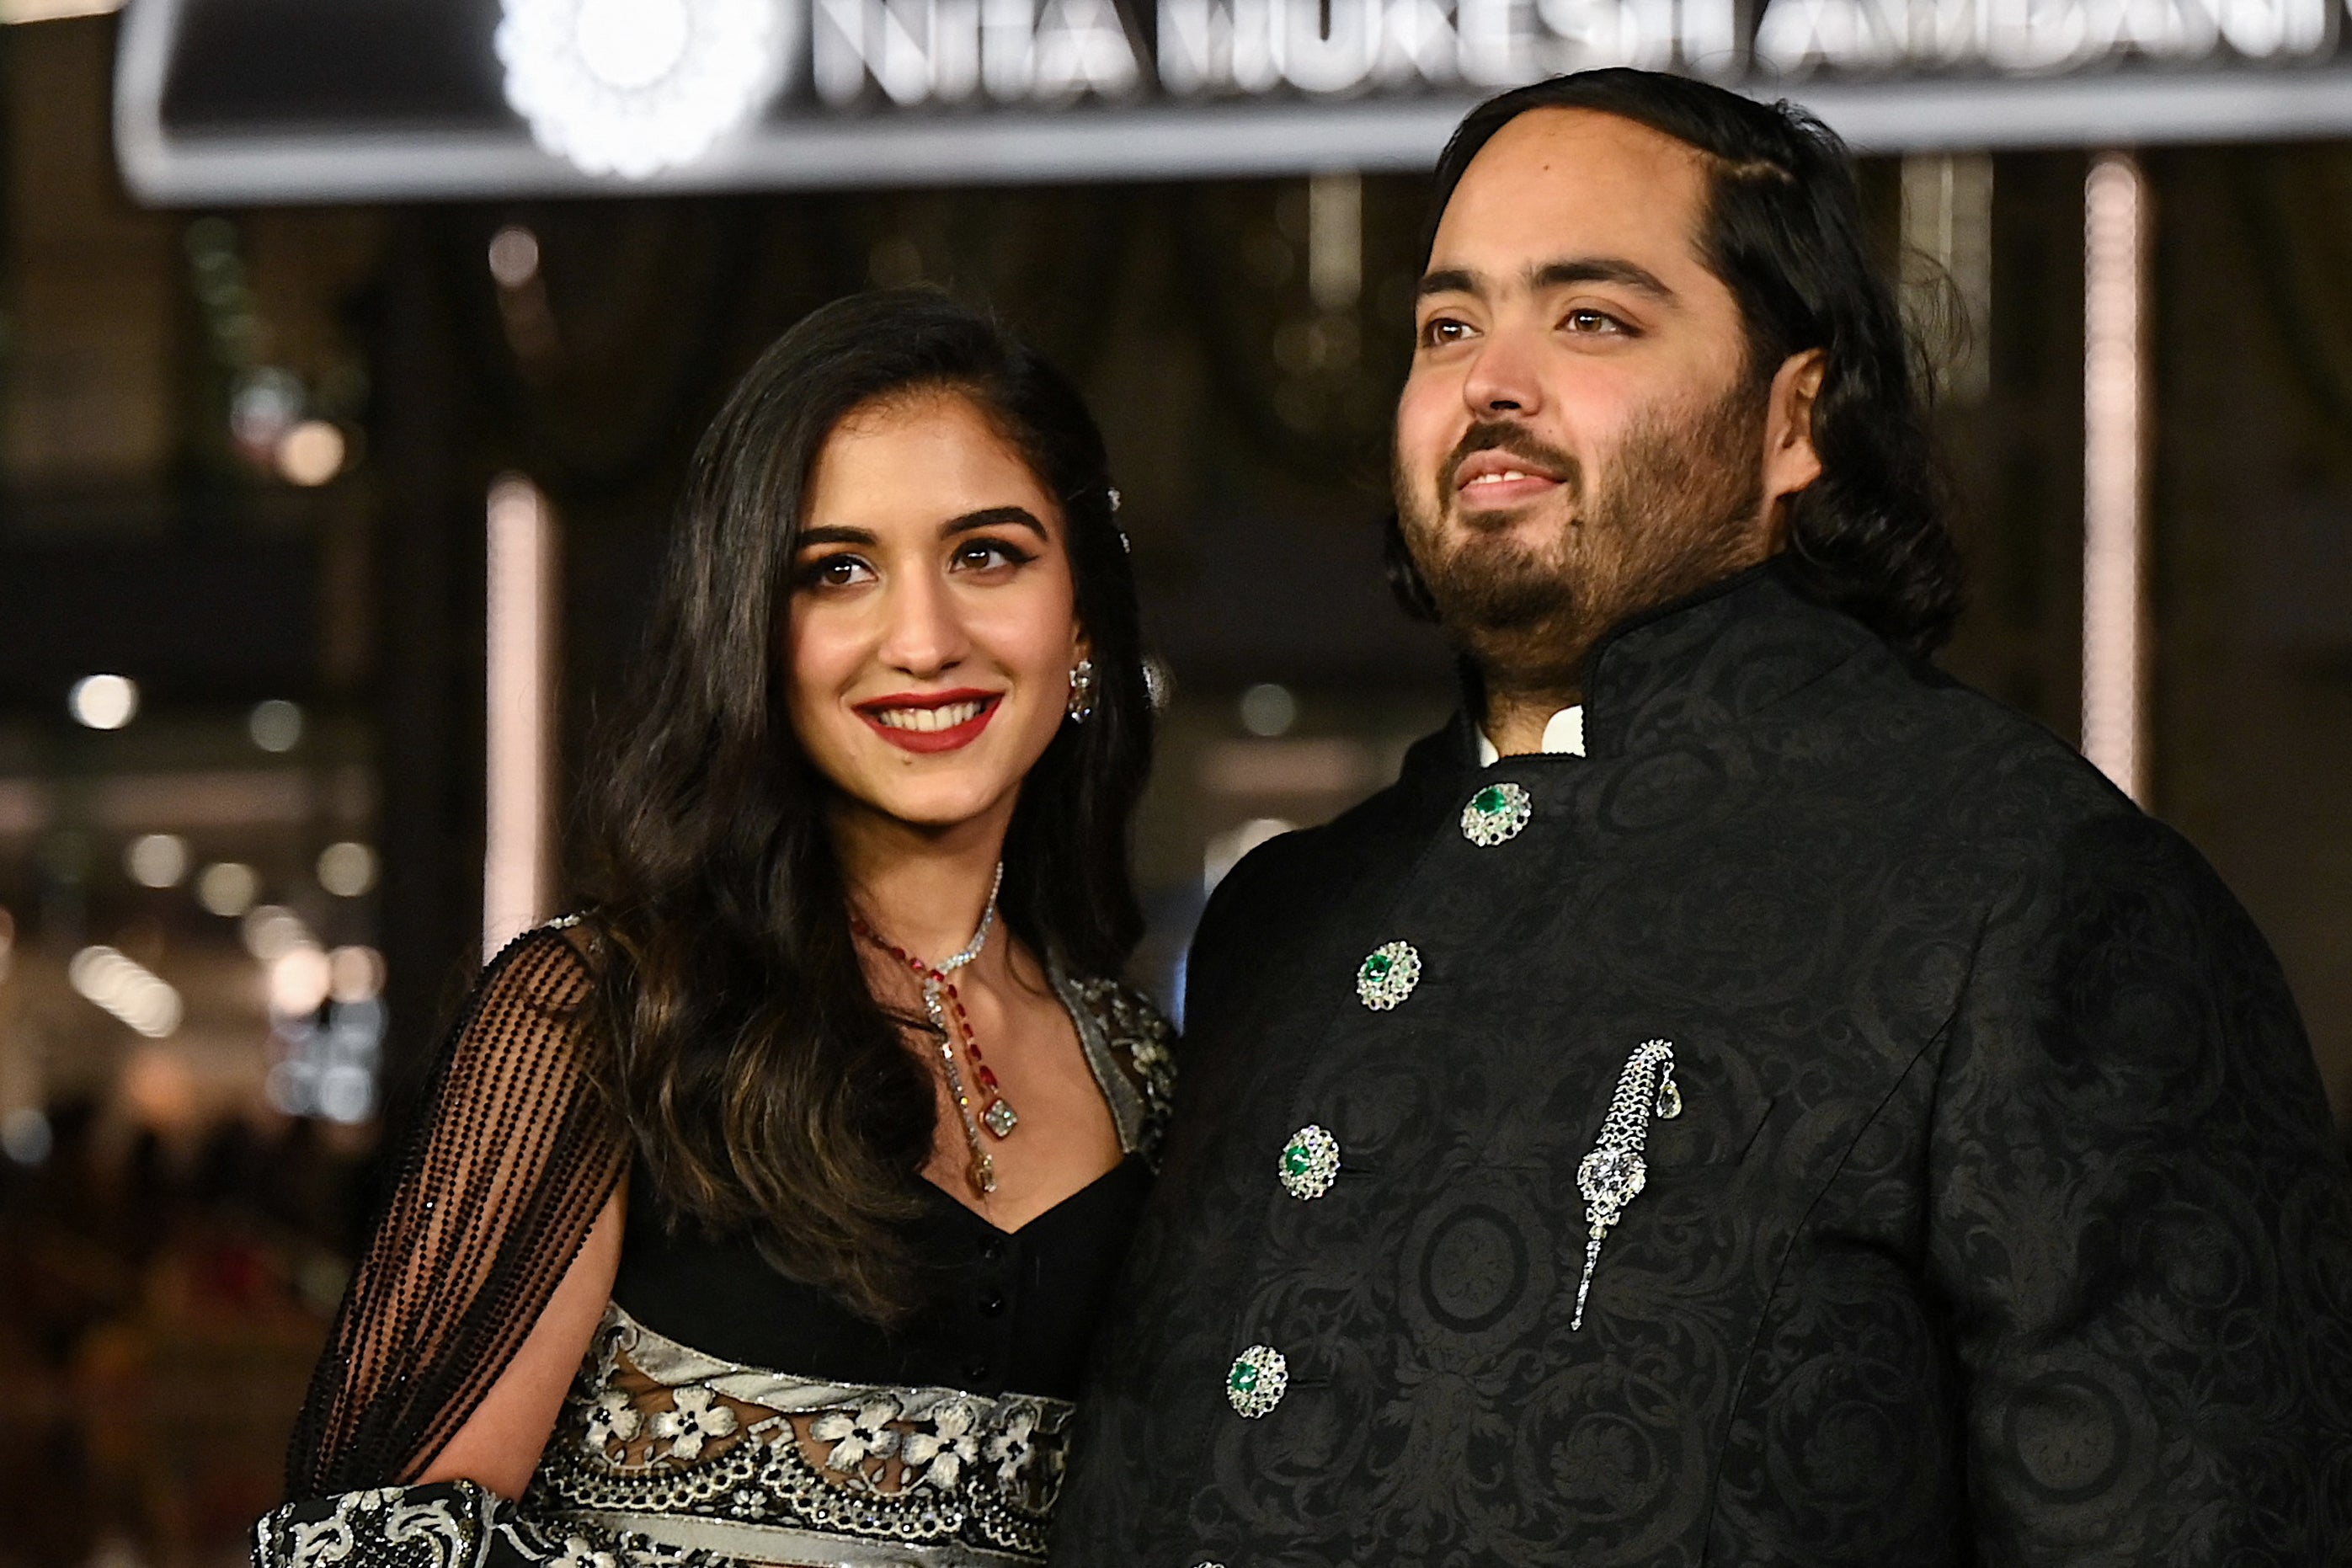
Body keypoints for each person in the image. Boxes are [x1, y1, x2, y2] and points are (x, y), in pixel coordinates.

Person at [1049, 69, 2352, 1567]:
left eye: (1590, 318)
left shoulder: (2028, 894)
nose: (1491, 380)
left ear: (1795, 419)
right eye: (1447, 326)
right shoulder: (1290, 920)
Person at [255, 291, 1174, 1567]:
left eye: (987, 554)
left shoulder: (1144, 1068)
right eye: (837, 570)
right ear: (751, 629)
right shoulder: (606, 1015)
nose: (923, 639)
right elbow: (357, 1549)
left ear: (1079, 616)